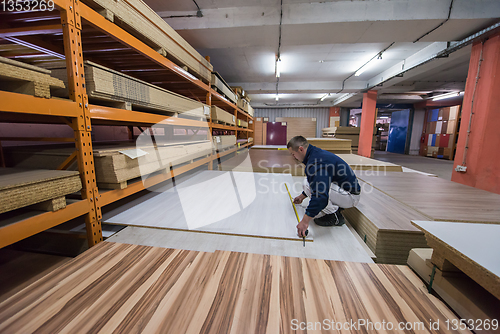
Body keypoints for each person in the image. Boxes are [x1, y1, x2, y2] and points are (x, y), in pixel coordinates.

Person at [287, 136, 361, 237]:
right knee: (308, 183)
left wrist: (305, 221)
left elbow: (320, 195)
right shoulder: (315, 154)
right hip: (342, 189)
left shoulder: (316, 162)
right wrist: (302, 196)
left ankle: (335, 216)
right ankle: (334, 209)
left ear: (301, 149)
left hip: (350, 196)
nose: (293, 157)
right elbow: (316, 181)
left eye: (293, 154)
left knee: (310, 186)